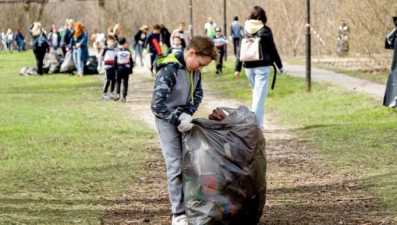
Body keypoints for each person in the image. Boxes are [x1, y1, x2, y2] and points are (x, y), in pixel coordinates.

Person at [151, 35, 219, 225]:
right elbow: (156, 105)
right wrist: (175, 120)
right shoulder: (169, 70)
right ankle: (178, 213)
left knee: (192, 164)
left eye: (203, 66)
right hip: (167, 122)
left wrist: (188, 111)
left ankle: (193, 207)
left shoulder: (194, 70)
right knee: (175, 166)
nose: (200, 68)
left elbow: (198, 92)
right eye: (200, 64)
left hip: (184, 120)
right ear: (191, 53)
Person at [234, 5, 284, 129]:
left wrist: (237, 68)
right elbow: (272, 50)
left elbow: (239, 50)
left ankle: (259, 124)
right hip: (262, 67)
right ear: (263, 16)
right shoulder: (265, 30)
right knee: (258, 97)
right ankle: (254, 125)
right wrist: (280, 66)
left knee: (257, 95)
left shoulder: (243, 29)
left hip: (248, 66)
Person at [114, 37, 133, 102]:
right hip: (126, 67)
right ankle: (124, 96)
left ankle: (118, 94)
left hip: (119, 67)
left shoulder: (117, 51)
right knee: (125, 83)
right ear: (125, 43)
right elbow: (131, 61)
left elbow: (115, 61)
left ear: (118, 43)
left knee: (118, 81)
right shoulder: (128, 51)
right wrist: (131, 69)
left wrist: (115, 68)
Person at [100, 35, 117, 100]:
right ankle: (104, 93)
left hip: (113, 67)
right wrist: (100, 65)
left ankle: (112, 93)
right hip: (107, 67)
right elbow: (101, 57)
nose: (112, 43)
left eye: (113, 42)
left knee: (113, 80)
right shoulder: (105, 49)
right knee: (107, 80)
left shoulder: (115, 50)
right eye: (110, 41)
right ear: (107, 42)